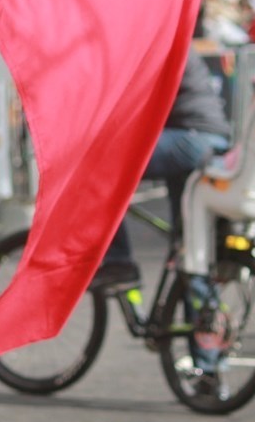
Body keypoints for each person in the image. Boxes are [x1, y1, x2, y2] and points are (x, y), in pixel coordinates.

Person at [92, 47, 233, 290]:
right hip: (212, 141)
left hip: (190, 140)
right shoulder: (181, 43)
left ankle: (118, 262)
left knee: (98, 173)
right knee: (188, 241)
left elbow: (134, 102)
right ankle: (202, 318)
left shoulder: (163, 45)